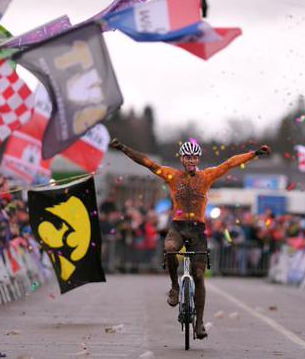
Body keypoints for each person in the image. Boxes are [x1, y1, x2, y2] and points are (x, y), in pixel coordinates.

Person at [110, 138, 270, 340]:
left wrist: (254, 154)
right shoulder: (171, 176)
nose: (192, 160)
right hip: (178, 227)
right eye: (188, 157)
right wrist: (124, 147)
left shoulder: (207, 176)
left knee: (199, 275)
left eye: (195, 157)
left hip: (198, 230)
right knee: (169, 249)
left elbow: (230, 163)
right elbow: (147, 163)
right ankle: (175, 287)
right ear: (182, 158)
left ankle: (200, 323)